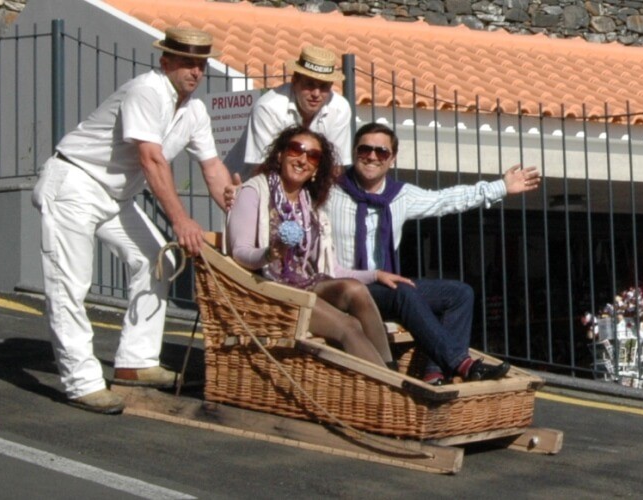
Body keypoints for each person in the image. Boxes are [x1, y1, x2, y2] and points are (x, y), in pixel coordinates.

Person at [34, 27, 238, 414]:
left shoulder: (194, 111)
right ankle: (81, 382)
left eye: (200, 65)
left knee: (158, 259)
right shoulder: (148, 90)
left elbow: (212, 168)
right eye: (186, 63)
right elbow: (151, 158)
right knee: (69, 285)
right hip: (75, 183)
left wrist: (239, 211)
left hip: (115, 195)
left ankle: (135, 362)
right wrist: (181, 220)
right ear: (166, 63)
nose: (194, 72)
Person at [325, 123, 541, 384]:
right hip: (345, 288)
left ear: (391, 159)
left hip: (383, 290)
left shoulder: (400, 196)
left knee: (460, 294)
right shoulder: (329, 191)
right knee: (403, 291)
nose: (372, 157)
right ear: (354, 152)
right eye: (365, 150)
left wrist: (501, 187)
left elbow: (446, 200)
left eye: (381, 152)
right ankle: (461, 363)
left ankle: (434, 373)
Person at [227, 127, 409, 369]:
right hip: (266, 291)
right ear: (280, 155)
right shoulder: (255, 191)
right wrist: (270, 253)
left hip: (304, 284)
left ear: (316, 169)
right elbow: (239, 252)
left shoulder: (309, 204)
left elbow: (330, 268)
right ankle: (389, 388)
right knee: (348, 326)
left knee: (355, 290)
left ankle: (391, 371)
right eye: (296, 149)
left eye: (313, 156)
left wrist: (375, 275)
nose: (303, 159)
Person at [223, 45, 354, 173]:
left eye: (324, 86)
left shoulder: (340, 108)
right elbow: (263, 168)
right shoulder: (268, 108)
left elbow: (335, 167)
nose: (316, 93)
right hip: (247, 184)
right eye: (309, 84)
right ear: (295, 80)